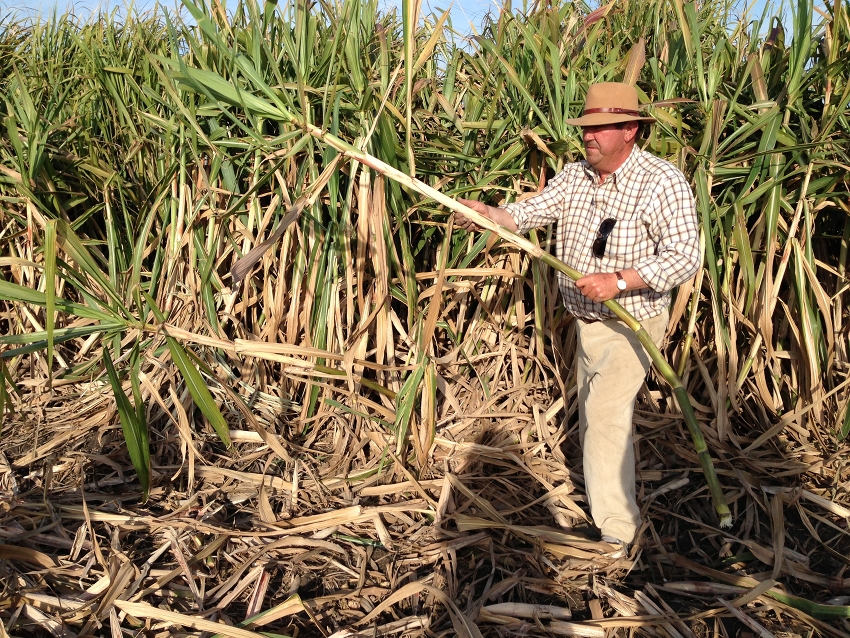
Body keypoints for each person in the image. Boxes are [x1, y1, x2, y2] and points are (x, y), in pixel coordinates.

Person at [456, 82, 700, 551]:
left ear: (630, 130)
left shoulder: (661, 181)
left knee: (606, 416)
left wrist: (620, 280)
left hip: (631, 322)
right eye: (585, 128)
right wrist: (488, 213)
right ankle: (604, 501)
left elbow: (686, 255)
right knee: (594, 415)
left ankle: (616, 533)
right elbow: (524, 214)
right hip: (586, 322)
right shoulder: (575, 177)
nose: (587, 136)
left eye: (598, 128)